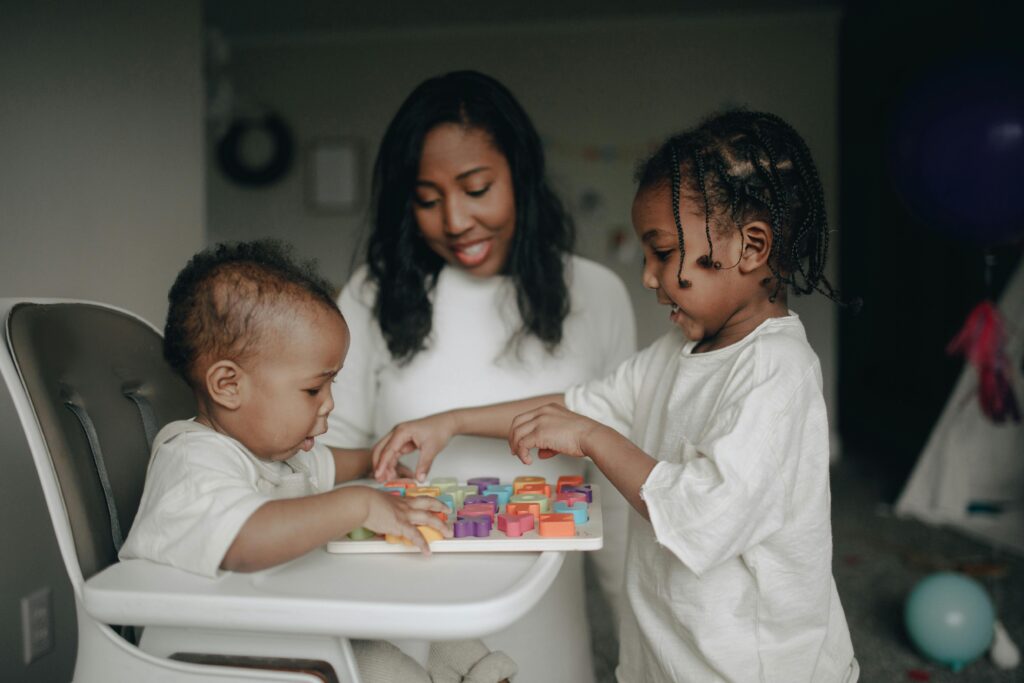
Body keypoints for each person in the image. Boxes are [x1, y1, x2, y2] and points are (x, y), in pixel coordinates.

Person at [372, 110, 861, 682]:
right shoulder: (674, 356)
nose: (648, 276)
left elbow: (701, 517)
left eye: (662, 252)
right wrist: (450, 422)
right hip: (672, 657)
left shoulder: (778, 372)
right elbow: (575, 406)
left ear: (751, 247)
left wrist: (592, 440)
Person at [322, 70, 636, 682]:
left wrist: (638, 638)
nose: (456, 221)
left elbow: (618, 485)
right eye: (428, 198)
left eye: (476, 188)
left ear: (520, 173)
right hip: (406, 618)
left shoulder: (597, 293)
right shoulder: (371, 294)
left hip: (547, 620)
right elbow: (330, 460)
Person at [119, 240, 516, 683]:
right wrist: (359, 504)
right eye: (313, 389)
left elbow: (331, 465)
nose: (329, 405)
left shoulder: (280, 455)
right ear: (228, 385)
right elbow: (245, 538)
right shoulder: (191, 462)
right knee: (386, 669)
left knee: (437, 608)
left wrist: (373, 459)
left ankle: (479, 672)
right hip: (223, 655)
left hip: (290, 627)